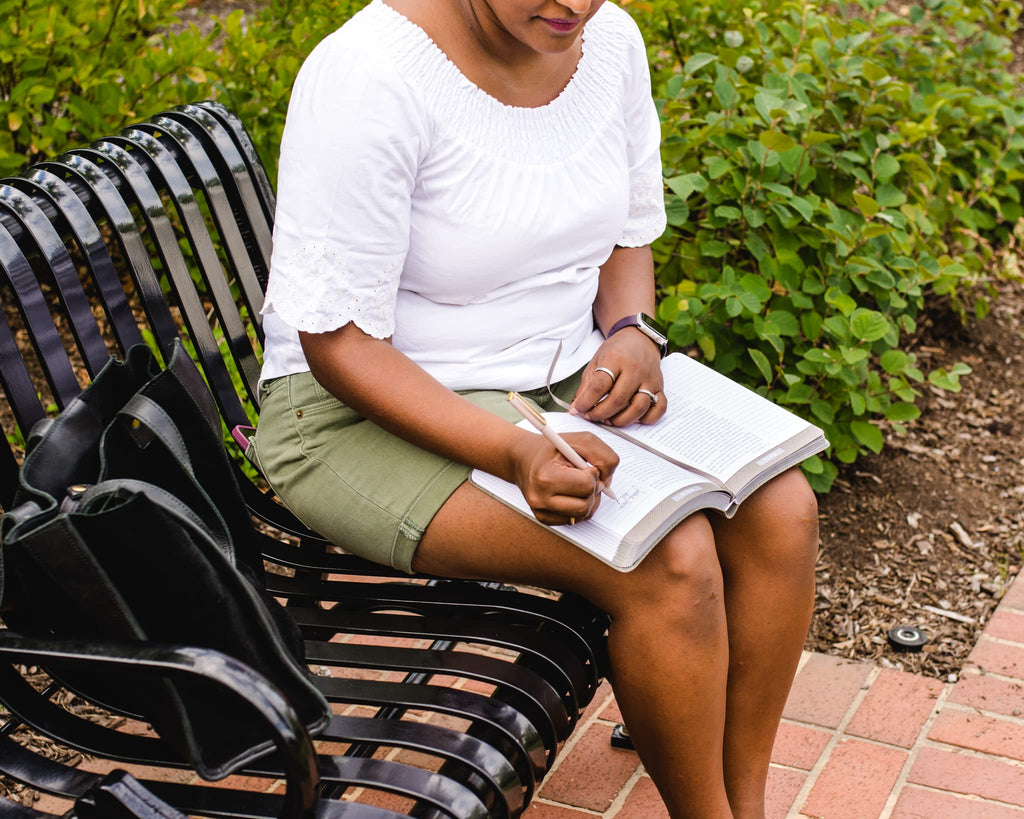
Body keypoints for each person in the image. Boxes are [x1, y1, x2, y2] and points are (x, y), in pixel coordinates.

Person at [252, 0, 819, 815]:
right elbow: (338, 344)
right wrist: (513, 453)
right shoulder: (369, 78)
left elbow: (629, 230)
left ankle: (745, 804)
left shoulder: (609, 40)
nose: (573, 7)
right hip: (362, 410)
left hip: (562, 371)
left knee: (784, 511)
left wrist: (631, 332)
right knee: (670, 559)